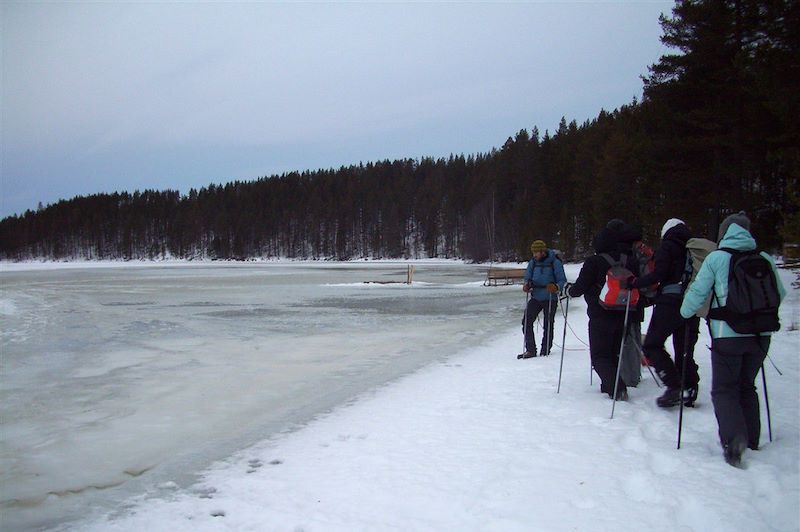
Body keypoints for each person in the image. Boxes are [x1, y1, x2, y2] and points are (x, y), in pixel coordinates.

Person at [680, 212, 785, 467]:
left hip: (728, 335)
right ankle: (752, 439)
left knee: (725, 389)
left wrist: (685, 311)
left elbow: (697, 292)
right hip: (761, 335)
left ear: (725, 233)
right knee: (747, 385)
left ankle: (734, 441)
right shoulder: (764, 259)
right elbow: (779, 293)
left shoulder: (717, 258)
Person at [626, 218, 700, 407]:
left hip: (670, 302)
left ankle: (674, 385)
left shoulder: (668, 246)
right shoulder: (693, 247)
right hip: (692, 302)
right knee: (684, 349)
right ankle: (690, 388)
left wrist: (634, 283)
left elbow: (659, 275)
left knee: (652, 344)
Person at [565, 227, 638, 400]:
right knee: (613, 353)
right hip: (624, 314)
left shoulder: (594, 262)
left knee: (599, 356)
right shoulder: (630, 261)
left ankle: (617, 389)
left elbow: (579, 288)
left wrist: (569, 291)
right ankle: (609, 386)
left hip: (600, 315)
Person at [520, 240, 566, 358]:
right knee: (526, 321)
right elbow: (527, 276)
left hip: (550, 297)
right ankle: (531, 350)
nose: (534, 255)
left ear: (543, 251)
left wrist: (556, 287)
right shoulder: (533, 263)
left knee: (548, 323)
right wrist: (527, 284)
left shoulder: (555, 262)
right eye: (533, 252)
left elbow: (562, 280)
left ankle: (545, 349)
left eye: (536, 252)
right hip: (536, 296)